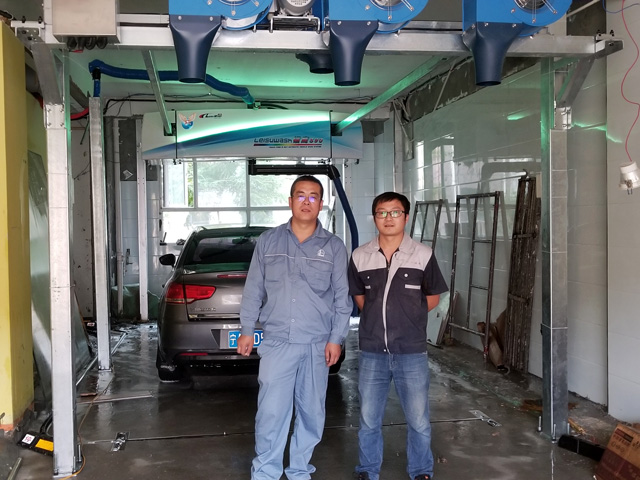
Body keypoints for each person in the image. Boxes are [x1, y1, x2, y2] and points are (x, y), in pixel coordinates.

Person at [237, 175, 352, 480]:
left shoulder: (334, 247)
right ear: (290, 201)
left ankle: (300, 470)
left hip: (317, 344)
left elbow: (342, 298)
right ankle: (265, 472)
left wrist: (336, 338)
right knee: (271, 412)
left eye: (313, 196)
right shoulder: (268, 241)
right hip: (277, 342)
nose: (306, 201)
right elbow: (254, 289)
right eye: (300, 195)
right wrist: (247, 329)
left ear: (321, 204)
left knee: (312, 413)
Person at [348, 192, 448, 480]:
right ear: (374, 218)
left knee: (418, 420)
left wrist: (407, 317)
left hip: (411, 351)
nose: (388, 218)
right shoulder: (360, 256)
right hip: (372, 351)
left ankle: (421, 470)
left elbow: (432, 297)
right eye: (382, 212)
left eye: (395, 212)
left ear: (406, 217)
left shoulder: (423, 254)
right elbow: (360, 297)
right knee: (368, 419)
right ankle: (368, 470)